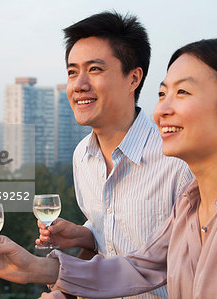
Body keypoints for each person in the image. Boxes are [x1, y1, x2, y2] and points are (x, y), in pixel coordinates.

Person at [0, 38, 217, 298]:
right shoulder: (191, 201)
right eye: (162, 93)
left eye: (182, 92)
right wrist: (34, 268)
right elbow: (140, 268)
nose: (162, 109)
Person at [36, 11, 192, 299]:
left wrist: (41, 270)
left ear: (133, 78)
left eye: (94, 69)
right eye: (72, 72)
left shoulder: (178, 158)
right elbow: (111, 241)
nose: (79, 84)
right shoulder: (82, 156)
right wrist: (87, 236)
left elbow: (190, 259)